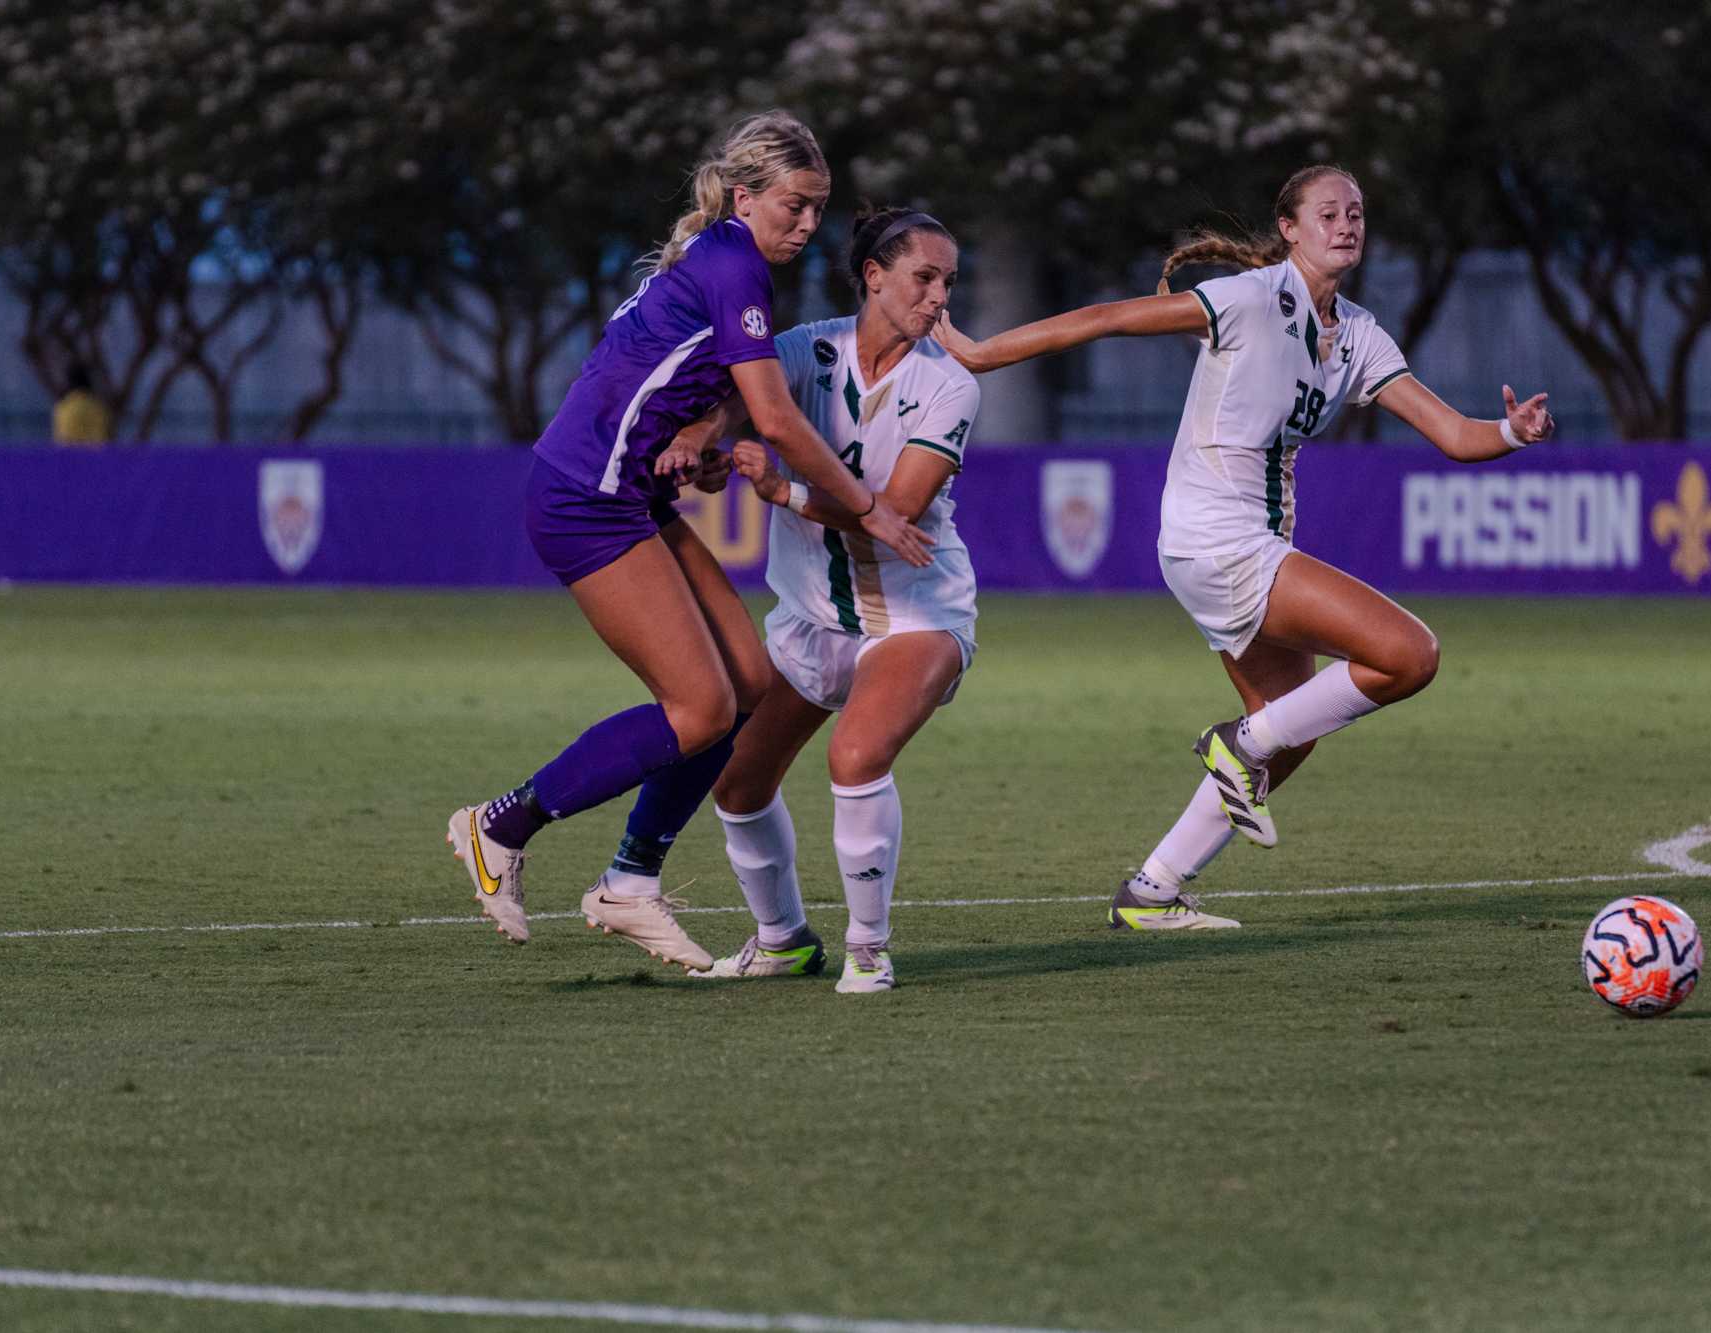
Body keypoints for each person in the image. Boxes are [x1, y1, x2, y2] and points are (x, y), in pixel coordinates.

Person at [936, 164, 1554, 930]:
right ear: (1288, 230)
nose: (1347, 223)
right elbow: (1106, 316)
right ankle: (1236, 743)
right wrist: (981, 354)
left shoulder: (1355, 332)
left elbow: (1456, 435)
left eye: (1356, 212)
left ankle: (1154, 888)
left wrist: (1510, 433)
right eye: (1327, 212)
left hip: (1233, 543)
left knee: (1289, 731)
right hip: (1217, 537)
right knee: (1408, 654)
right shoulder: (1248, 299)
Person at [445, 111, 933, 970]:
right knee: (701, 708)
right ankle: (500, 824)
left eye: (818, 207)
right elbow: (778, 413)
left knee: (746, 685)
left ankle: (630, 880)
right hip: (583, 496)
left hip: (626, 490)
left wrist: (700, 438)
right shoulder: (735, 262)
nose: (808, 223)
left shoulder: (723, 254)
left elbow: (696, 381)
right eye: (794, 205)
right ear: (745, 196)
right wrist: (867, 506)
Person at [667, 207, 979, 994]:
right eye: (925, 276)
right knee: (736, 781)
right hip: (810, 619)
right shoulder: (806, 349)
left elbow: (896, 511)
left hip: (918, 615)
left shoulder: (950, 385)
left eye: (948, 281)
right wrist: (705, 448)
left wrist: (783, 489)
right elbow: (735, 407)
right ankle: (781, 939)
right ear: (874, 276)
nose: (939, 295)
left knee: (855, 754)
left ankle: (868, 946)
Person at [51, 364, 111, 446]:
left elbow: (61, 440)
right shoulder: (97, 407)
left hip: (69, 456)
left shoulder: (63, 408)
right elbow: (101, 439)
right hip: (92, 456)